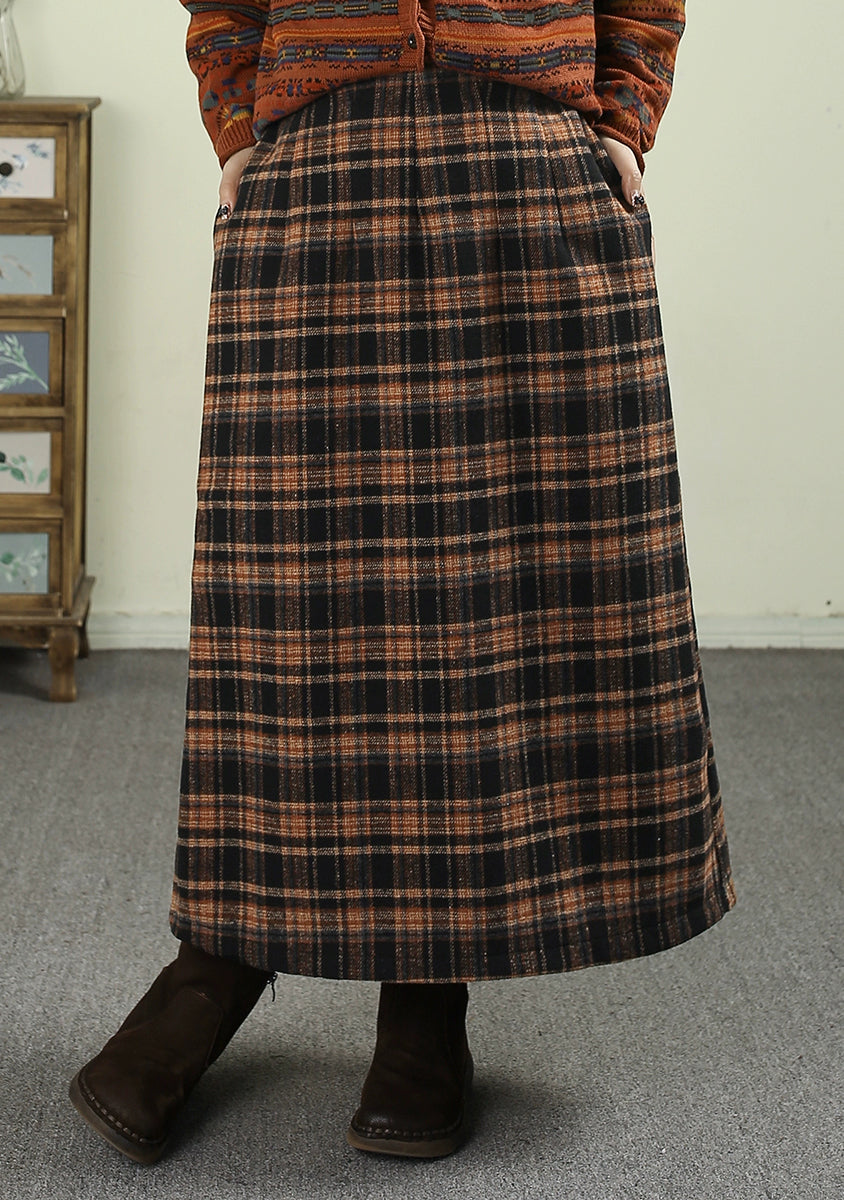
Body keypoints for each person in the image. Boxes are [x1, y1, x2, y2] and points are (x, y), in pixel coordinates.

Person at [70, 0, 736, 1165]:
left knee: (491, 608)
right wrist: (235, 125)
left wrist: (624, 119)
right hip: (319, 161)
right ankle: (221, 959)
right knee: (294, 607)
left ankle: (425, 1000)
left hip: (529, 165)